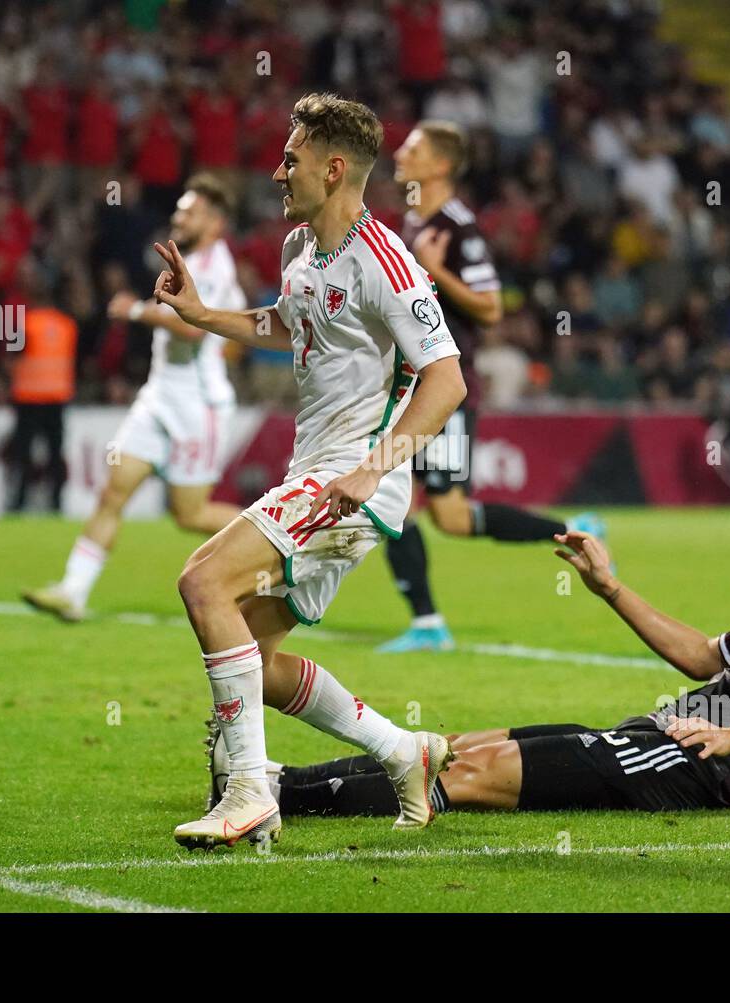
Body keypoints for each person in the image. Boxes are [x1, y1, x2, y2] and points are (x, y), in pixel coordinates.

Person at [151, 93, 469, 849]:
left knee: (202, 581)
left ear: (333, 168)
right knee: (254, 661)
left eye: (290, 157)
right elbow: (285, 320)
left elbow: (448, 379)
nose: (277, 169)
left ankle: (250, 790)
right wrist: (204, 317)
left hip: (351, 482)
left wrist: (372, 468)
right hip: (319, 476)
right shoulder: (302, 249)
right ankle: (406, 751)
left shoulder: (386, 261)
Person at [228, 487, 730, 819]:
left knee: (474, 773)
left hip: (695, 771)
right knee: (457, 743)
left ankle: (283, 799)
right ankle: (276, 778)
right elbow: (703, 655)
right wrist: (611, 589)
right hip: (654, 738)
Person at [379, 120, 605, 653]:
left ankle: (428, 624)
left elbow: (490, 306)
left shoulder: (458, 228)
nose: (400, 153)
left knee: (410, 506)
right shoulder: (413, 222)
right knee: (442, 514)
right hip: (408, 385)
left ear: (439, 165)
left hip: (444, 387)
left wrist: (436, 269)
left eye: (413, 148)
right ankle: (573, 528)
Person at [23, 175, 246, 622]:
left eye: (190, 211)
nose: (178, 216)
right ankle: (73, 591)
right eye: (179, 209)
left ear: (215, 222)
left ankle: (281, 540)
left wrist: (138, 310)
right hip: (159, 395)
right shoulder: (188, 261)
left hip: (196, 406)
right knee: (112, 492)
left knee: (190, 514)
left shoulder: (215, 268)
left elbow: (193, 326)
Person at [7, 270, 77, 512]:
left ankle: (19, 502)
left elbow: (11, 358)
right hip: (57, 398)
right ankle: (56, 503)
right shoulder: (67, 325)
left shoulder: (25, 324)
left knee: (23, 454)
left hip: (28, 398)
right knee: (55, 455)